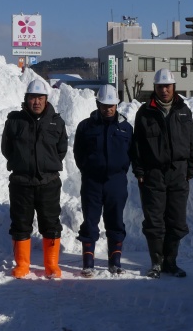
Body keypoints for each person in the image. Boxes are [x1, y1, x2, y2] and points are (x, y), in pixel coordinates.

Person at [132, 68, 193, 279]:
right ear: (155, 88)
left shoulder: (183, 110)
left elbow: (192, 141)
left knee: (177, 221)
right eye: (160, 86)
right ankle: (156, 263)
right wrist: (140, 170)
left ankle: (171, 262)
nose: (164, 90)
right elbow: (137, 146)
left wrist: (192, 167)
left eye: (167, 86)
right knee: (154, 221)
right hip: (153, 174)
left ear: (173, 87)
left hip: (178, 173)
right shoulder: (145, 112)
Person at [1, 79, 68, 279]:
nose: (36, 102)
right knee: (20, 223)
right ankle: (22, 265)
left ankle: (51, 265)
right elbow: (7, 149)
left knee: (51, 223)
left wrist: (48, 165)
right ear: (26, 99)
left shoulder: (56, 122)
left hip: (48, 182)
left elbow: (61, 149)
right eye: (32, 98)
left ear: (46, 99)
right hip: (21, 182)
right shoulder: (14, 121)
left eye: (40, 98)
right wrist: (21, 163)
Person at [74, 84, 133, 277]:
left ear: (116, 105)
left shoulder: (125, 128)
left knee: (115, 220)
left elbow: (132, 153)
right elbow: (78, 152)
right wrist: (88, 169)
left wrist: (120, 170)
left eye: (112, 105)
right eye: (104, 105)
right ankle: (88, 263)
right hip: (92, 181)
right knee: (90, 221)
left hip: (116, 182)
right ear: (97, 104)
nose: (108, 109)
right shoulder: (85, 126)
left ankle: (114, 262)